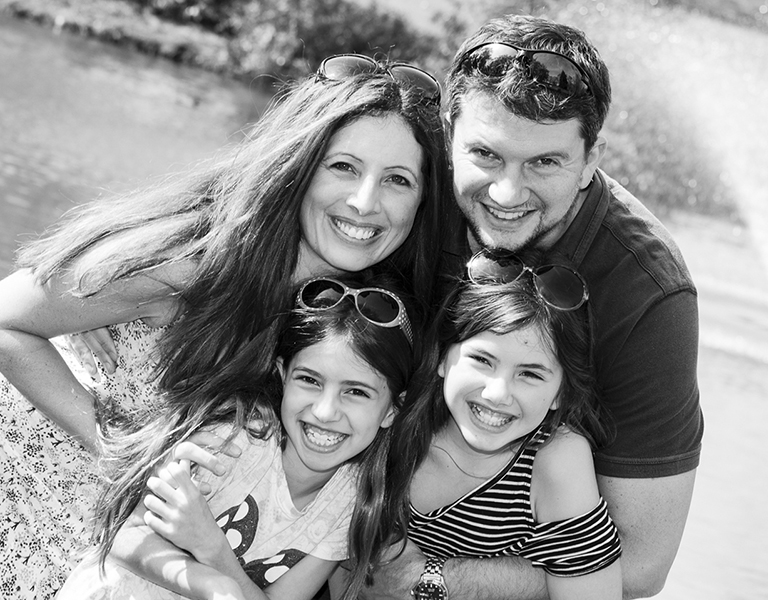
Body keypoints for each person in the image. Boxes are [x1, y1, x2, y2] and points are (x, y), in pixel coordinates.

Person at [0, 54, 448, 599]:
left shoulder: (365, 314)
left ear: (421, 202)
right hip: (40, 494)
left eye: (397, 180)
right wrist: (123, 449)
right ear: (299, 164)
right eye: (343, 167)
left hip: (150, 540)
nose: (364, 202)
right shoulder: (192, 262)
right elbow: (7, 319)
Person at [362, 14, 703, 600]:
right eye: (487, 156)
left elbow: (642, 569)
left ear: (592, 157)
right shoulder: (399, 184)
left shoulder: (647, 293)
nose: (506, 194)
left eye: (545, 162)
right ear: (448, 134)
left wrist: (425, 582)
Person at [56, 274, 419, 600]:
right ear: (282, 376)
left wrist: (214, 552)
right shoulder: (236, 438)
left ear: (392, 410)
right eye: (309, 380)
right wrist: (213, 585)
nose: (325, 411)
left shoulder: (348, 500)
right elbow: (125, 538)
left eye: (355, 392)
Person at [377, 254, 623, 600]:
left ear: (560, 393)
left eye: (530, 374)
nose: (497, 393)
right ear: (444, 357)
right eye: (482, 360)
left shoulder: (554, 459)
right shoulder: (395, 425)